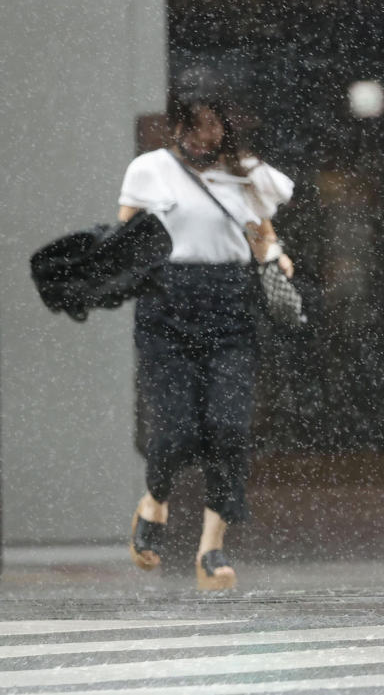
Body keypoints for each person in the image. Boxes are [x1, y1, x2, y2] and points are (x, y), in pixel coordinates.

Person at [120, 91, 294, 591]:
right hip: (167, 303)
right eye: (195, 123)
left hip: (229, 302)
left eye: (214, 123)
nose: (205, 133)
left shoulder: (246, 172)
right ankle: (155, 500)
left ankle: (211, 547)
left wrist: (275, 255)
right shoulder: (150, 169)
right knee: (174, 426)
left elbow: (263, 232)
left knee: (229, 426)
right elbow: (126, 237)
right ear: (176, 125)